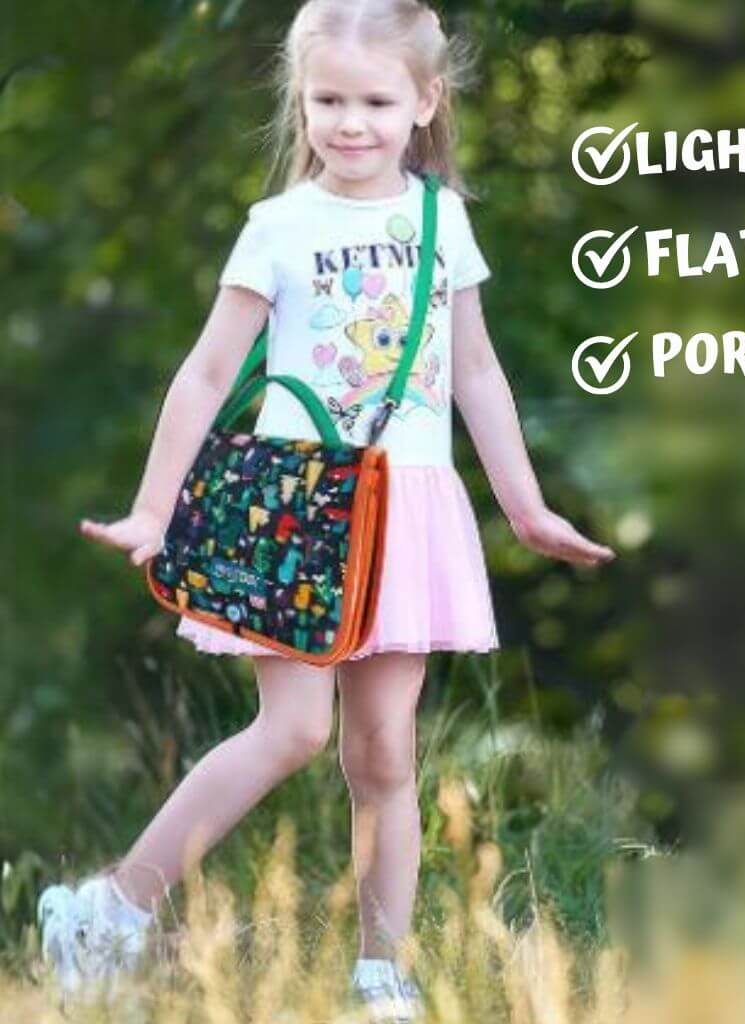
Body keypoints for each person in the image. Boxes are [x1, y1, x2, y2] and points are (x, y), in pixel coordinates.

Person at [36, 0, 615, 1018]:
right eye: (328, 99)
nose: (351, 122)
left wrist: (523, 508)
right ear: (299, 101)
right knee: (294, 728)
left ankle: (380, 977)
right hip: (296, 513)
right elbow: (208, 371)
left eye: (377, 100)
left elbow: (474, 371)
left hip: (409, 511)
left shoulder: (440, 219)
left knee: (385, 751)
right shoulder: (281, 227)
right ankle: (108, 913)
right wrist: (150, 509)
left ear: (424, 101)